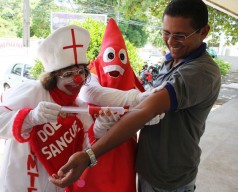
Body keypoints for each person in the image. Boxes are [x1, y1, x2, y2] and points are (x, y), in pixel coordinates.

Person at [49, 0, 221, 191]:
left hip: (170, 178)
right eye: (166, 33)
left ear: (203, 31)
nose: (171, 42)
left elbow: (146, 109)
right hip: (148, 168)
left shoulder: (200, 72)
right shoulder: (172, 61)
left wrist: (89, 155)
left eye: (180, 35)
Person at [0, 25, 118, 192]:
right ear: (53, 76)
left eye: (81, 72)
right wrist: (31, 117)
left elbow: (81, 150)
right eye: (68, 74)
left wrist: (99, 128)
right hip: (18, 183)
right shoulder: (33, 91)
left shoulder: (80, 108)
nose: (77, 80)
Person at [67, 18, 162, 192]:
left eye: (121, 57)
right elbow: (93, 93)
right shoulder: (93, 70)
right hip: (92, 145)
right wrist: (136, 100)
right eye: (110, 56)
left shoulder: (129, 75)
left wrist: (147, 112)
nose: (115, 63)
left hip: (123, 151)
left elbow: (144, 114)